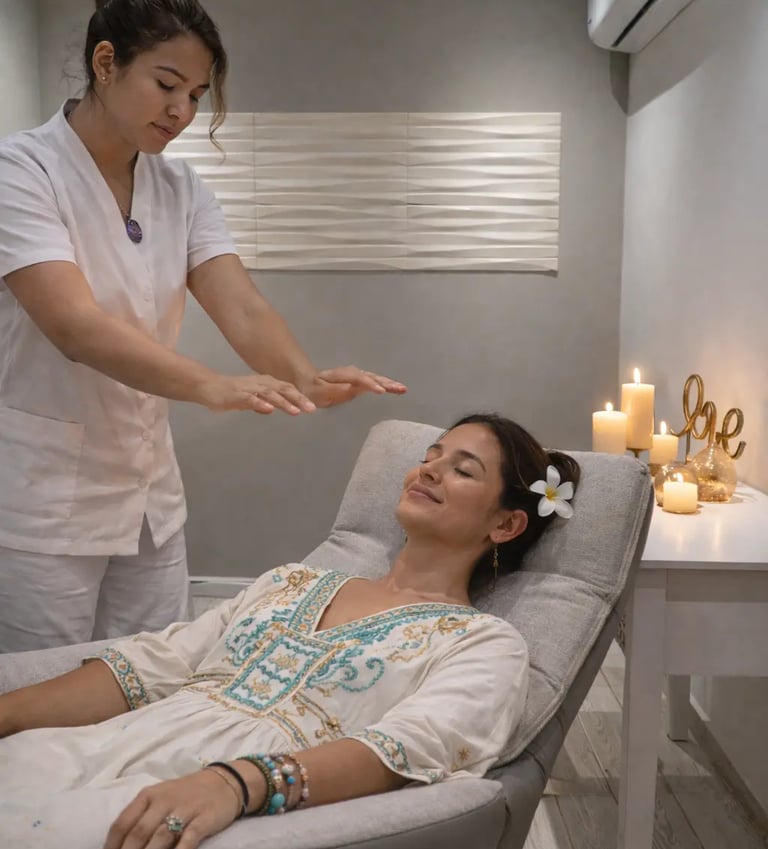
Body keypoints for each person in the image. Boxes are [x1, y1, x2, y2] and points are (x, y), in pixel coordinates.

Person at [0, 0, 407, 653]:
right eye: (166, 86)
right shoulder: (21, 171)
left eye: (195, 93)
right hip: (44, 500)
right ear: (106, 63)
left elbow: (238, 302)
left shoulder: (181, 187)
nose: (183, 111)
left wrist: (303, 375)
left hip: (147, 493)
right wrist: (213, 386)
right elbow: (74, 325)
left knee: (148, 675)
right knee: (40, 693)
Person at [0, 413, 580, 849]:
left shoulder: (481, 643)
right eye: (433, 454)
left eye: (462, 469)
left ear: (506, 523)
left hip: (218, 800)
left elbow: (405, 750)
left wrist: (234, 784)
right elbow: (147, 669)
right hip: (95, 748)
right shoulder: (292, 582)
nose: (429, 468)